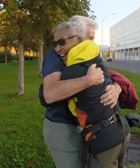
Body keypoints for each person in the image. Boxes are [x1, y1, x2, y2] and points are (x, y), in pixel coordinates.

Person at [41, 20, 121, 168]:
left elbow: (108, 76)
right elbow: (49, 94)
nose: (88, 43)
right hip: (62, 125)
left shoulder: (85, 55)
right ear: (76, 36)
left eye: (91, 39)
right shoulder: (55, 56)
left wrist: (116, 88)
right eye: (86, 37)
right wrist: (88, 80)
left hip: (85, 126)